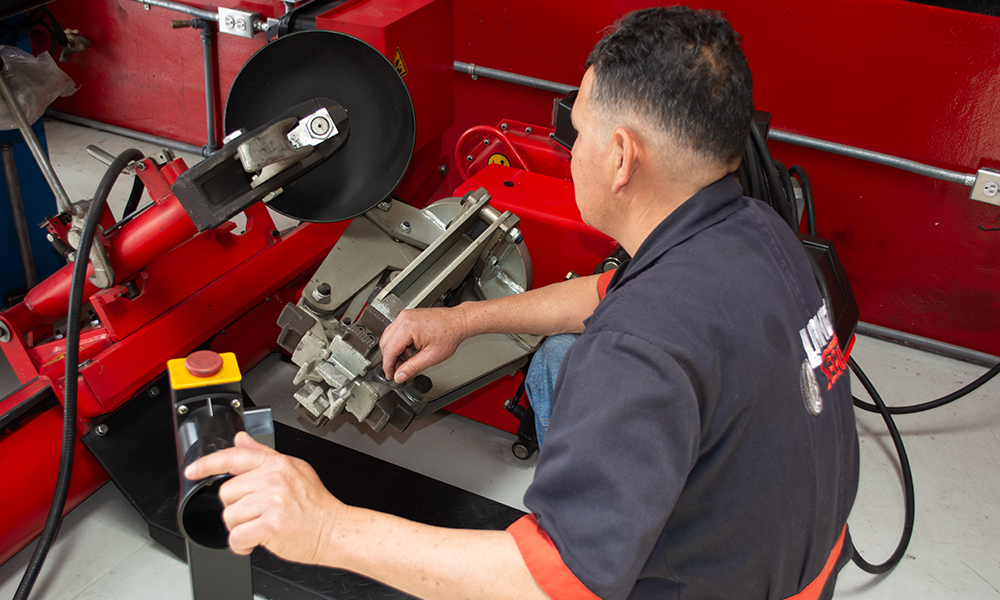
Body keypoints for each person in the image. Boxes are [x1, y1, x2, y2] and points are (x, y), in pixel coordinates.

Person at [186, 6, 859, 600]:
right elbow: (604, 295)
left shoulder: (638, 348)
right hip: (792, 552)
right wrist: (463, 320)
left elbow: (550, 583)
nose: (571, 152)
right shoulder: (760, 231)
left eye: (579, 131)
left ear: (621, 158)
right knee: (554, 366)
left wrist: (325, 526)